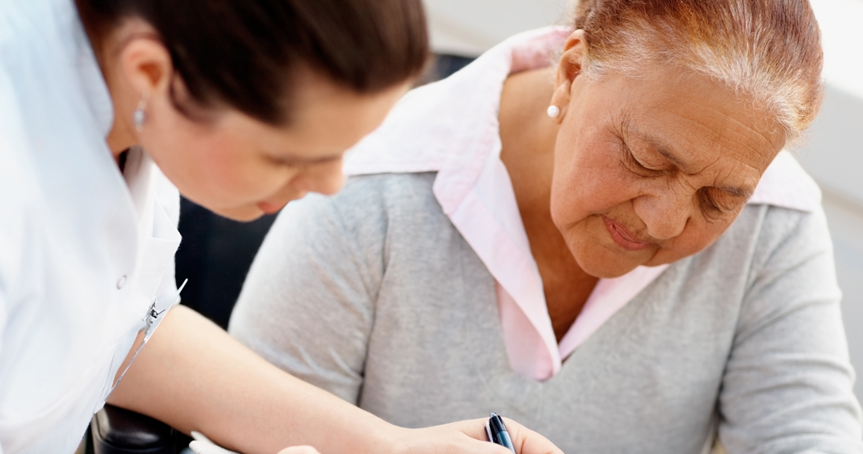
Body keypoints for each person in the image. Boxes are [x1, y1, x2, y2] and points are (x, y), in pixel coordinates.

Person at [229, 0, 863, 452]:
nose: (665, 221)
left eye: (720, 199)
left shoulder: (775, 221)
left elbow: (805, 435)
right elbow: (248, 436)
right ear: (571, 71)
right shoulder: (369, 190)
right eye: (646, 159)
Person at [0, 0, 565, 453]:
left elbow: (123, 330)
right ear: (150, 73)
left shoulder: (143, 105)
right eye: (289, 157)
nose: (331, 185)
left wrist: (386, 446)